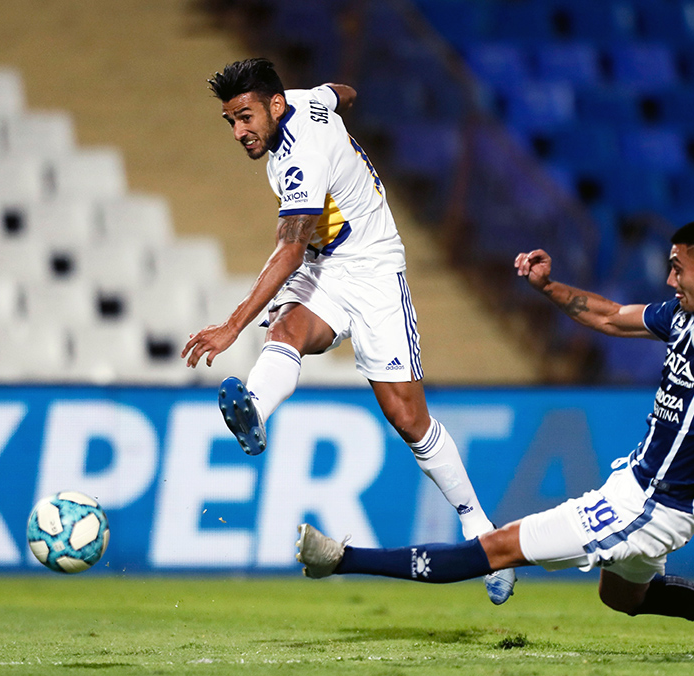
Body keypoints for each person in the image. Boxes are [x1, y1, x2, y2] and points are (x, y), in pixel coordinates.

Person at [295, 217, 694, 658]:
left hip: (656, 505)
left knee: (499, 548)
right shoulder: (685, 314)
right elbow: (609, 317)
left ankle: (339, 560)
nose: (671, 280)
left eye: (678, 269)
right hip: (639, 482)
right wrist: (549, 287)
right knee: (622, 595)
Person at [181, 58, 516, 604]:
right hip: (326, 267)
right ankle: (256, 413)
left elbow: (289, 249)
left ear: (274, 105)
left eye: (245, 118)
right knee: (287, 329)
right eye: (230, 122)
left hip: (374, 270)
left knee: (408, 418)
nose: (240, 132)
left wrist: (230, 326)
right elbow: (344, 91)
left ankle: (481, 529)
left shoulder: (302, 159)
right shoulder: (304, 99)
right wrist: (338, 99)